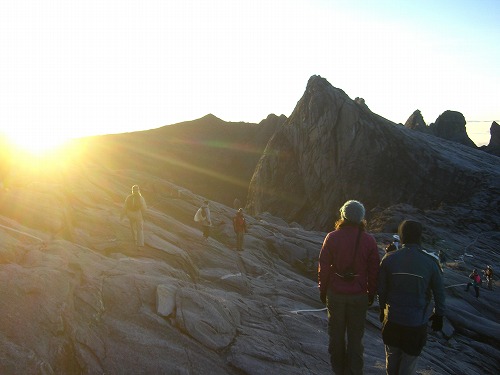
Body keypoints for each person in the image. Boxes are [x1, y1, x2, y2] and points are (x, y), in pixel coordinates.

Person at [318, 200, 380, 375]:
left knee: (336, 337)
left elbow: (323, 267)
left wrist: (323, 290)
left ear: (343, 215)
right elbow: (374, 270)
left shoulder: (332, 237)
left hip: (335, 293)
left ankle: (338, 370)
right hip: (359, 295)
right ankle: (354, 371)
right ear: (361, 218)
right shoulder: (369, 240)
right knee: (355, 339)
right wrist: (371, 293)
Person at [378, 220, 446, 375]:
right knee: (409, 362)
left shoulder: (389, 259)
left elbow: (381, 290)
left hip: (392, 319)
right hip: (416, 323)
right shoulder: (431, 262)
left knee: (392, 357)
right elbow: (439, 292)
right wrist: (439, 315)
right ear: (419, 237)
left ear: (402, 237)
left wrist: (382, 309)